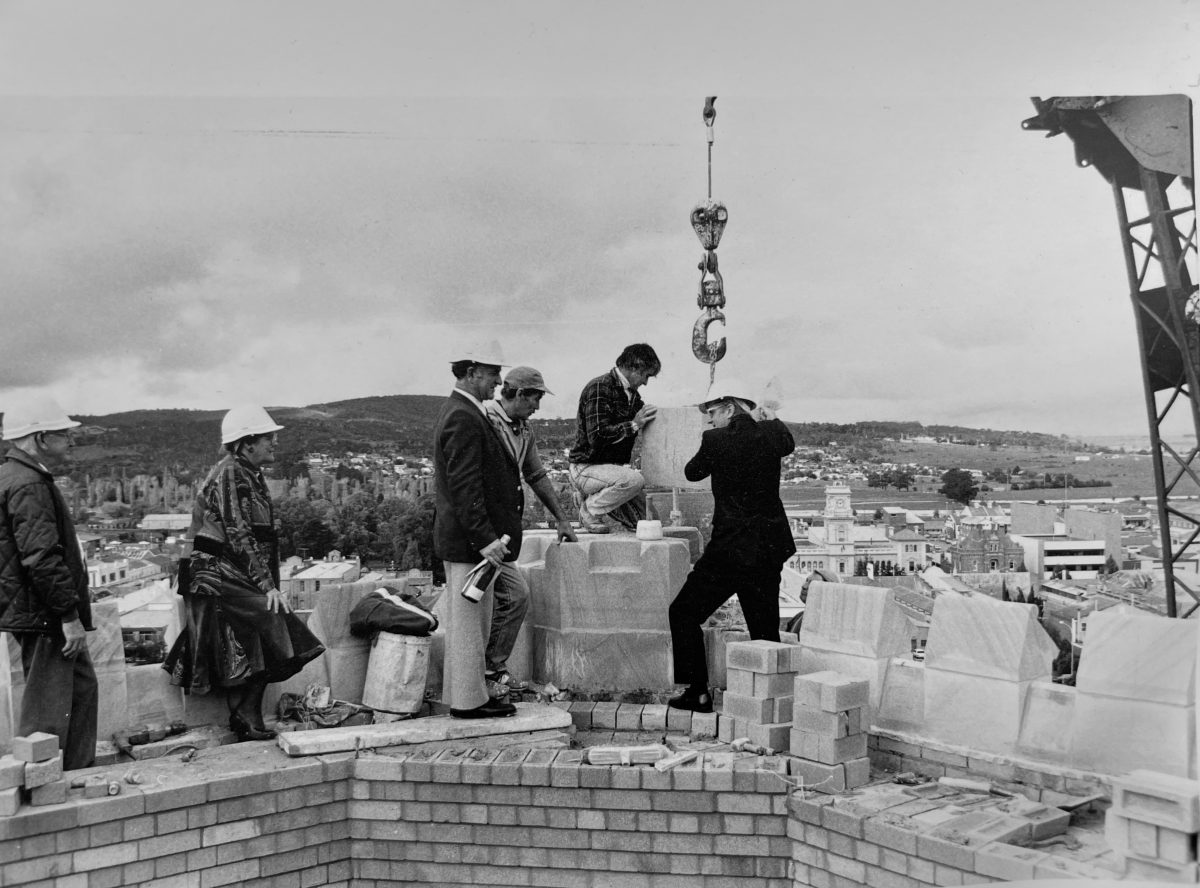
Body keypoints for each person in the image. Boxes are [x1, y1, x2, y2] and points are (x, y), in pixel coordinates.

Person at [164, 405, 324, 741]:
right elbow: (238, 532)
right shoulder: (231, 473)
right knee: (273, 617)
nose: (274, 443)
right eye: (268, 437)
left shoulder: (246, 472)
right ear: (247, 442)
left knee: (254, 633)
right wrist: (267, 586)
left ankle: (246, 714)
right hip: (210, 571)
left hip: (222, 569)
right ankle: (245, 712)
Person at [667, 378, 796, 712]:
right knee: (765, 630)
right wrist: (765, 415)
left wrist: (708, 449)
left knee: (683, 612)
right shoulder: (772, 434)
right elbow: (787, 442)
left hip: (730, 550)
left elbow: (692, 472)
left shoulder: (715, 439)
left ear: (728, 407)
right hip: (769, 547)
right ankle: (775, 705)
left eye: (712, 412)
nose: (710, 420)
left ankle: (698, 692)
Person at [0, 395, 97, 769]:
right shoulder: (28, 484)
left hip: (41, 610)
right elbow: (41, 557)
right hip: (45, 614)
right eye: (62, 433)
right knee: (49, 711)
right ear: (40, 438)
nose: (70, 440)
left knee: (81, 690)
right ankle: (40, 789)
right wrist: (68, 615)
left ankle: (74, 777)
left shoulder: (16, 476)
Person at [433, 342, 522, 719]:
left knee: (473, 623)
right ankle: (469, 703)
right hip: (471, 543)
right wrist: (485, 538)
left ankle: (465, 695)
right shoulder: (463, 416)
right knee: (471, 626)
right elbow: (464, 486)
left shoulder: (465, 412)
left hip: (469, 540)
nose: (498, 381)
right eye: (491, 373)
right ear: (471, 372)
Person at [482, 366, 577, 697]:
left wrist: (562, 519)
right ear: (518, 394)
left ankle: (490, 669)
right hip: (482, 534)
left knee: (512, 596)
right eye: (534, 398)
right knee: (514, 594)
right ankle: (487, 671)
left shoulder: (522, 430)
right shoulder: (484, 421)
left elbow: (536, 475)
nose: (537, 406)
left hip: (501, 535)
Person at [568, 343, 661, 533]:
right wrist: (634, 424)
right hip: (586, 468)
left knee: (650, 522)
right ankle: (589, 510)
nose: (646, 382)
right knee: (635, 480)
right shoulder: (599, 387)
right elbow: (598, 436)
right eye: (646, 375)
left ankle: (592, 497)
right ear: (635, 367)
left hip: (611, 473)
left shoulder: (631, 395)